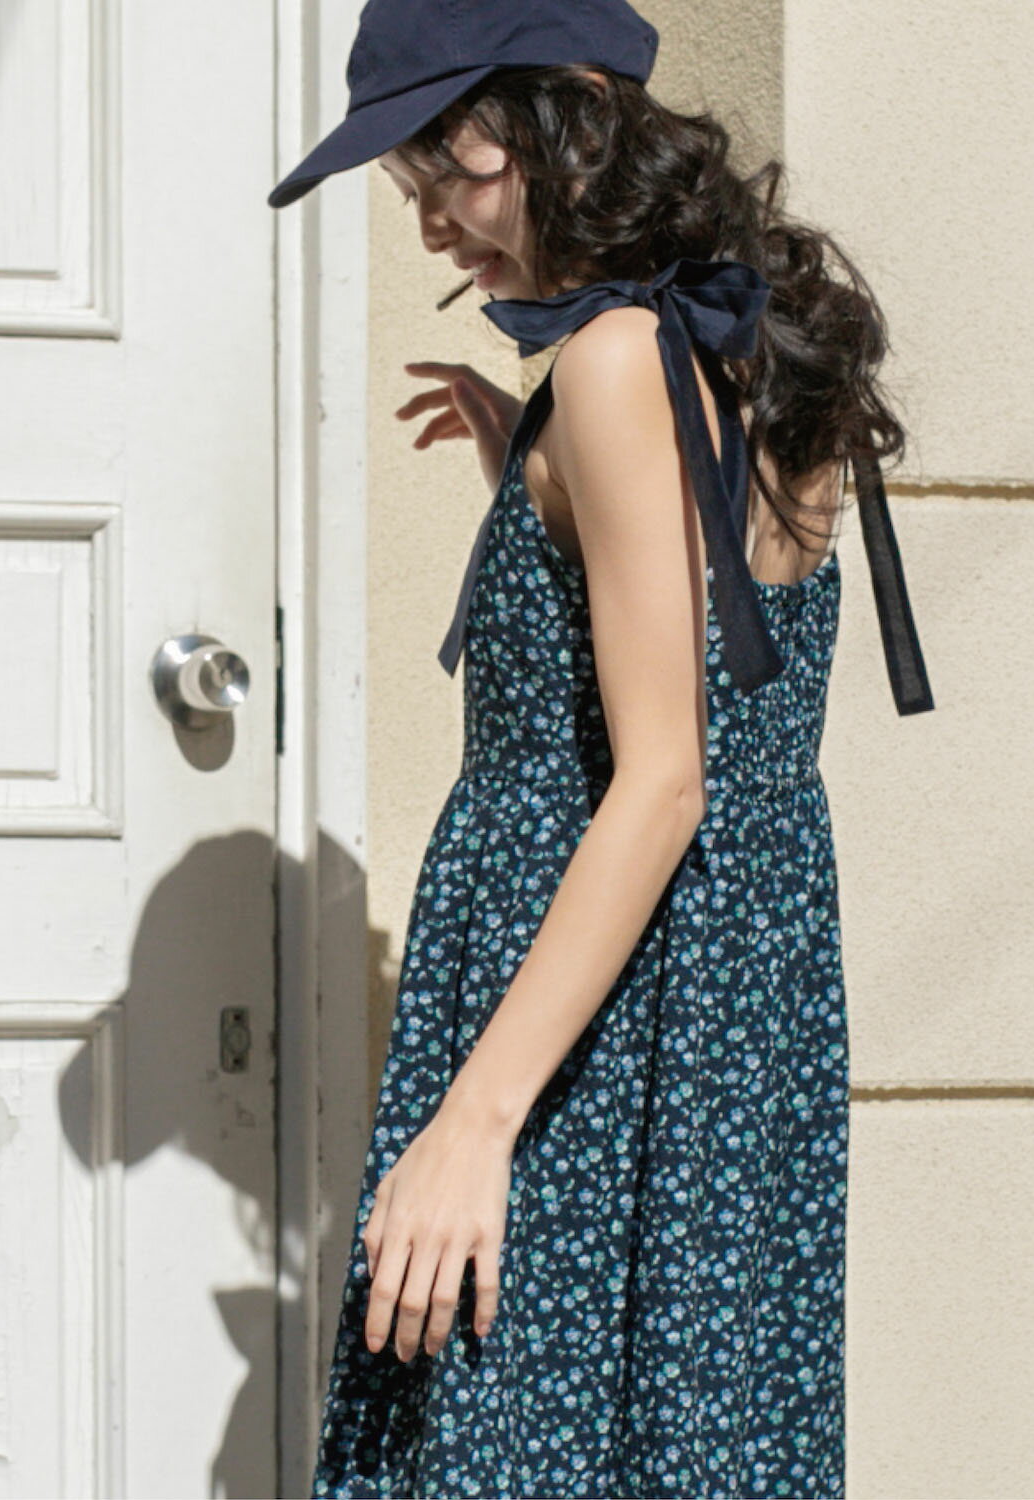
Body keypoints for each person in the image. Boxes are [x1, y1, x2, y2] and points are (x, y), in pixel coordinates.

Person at [270, 2, 936, 1497]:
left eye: (453, 165)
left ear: (573, 111)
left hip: (604, 1010)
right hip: (722, 1002)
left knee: (513, 1431)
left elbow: (664, 779)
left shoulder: (621, 358)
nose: (433, 221)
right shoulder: (732, 337)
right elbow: (707, 647)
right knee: (677, 1431)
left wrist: (474, 1122)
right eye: (410, 184)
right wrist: (535, 473)